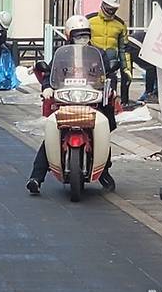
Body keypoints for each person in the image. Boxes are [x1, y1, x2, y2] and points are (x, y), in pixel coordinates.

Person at [26, 16, 116, 195]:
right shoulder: (62, 55)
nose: (82, 39)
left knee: (103, 129)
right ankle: (36, 177)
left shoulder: (99, 54)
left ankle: (103, 171)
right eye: (78, 35)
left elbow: (109, 75)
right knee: (53, 134)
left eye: (85, 35)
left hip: (92, 100)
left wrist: (111, 89)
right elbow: (49, 74)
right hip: (67, 99)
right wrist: (47, 88)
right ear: (69, 36)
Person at [88, 0, 132, 107]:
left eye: (114, 9)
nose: (111, 11)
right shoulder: (89, 20)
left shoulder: (120, 25)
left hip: (111, 68)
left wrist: (126, 69)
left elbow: (123, 50)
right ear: (103, 4)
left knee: (109, 100)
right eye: (109, 8)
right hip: (91, 67)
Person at [125, 30, 158, 103]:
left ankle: (125, 99)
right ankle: (149, 93)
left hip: (132, 43)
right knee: (151, 68)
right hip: (135, 45)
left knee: (127, 72)